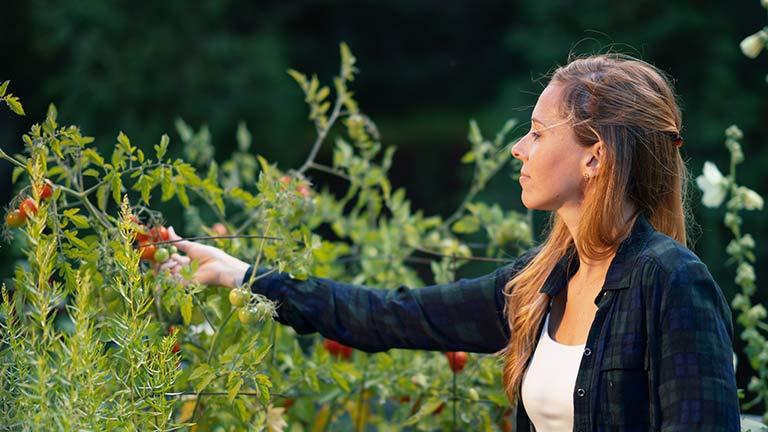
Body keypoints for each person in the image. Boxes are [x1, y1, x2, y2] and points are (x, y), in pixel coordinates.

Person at [160, 53, 740, 431]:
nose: (519, 148)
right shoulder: (541, 282)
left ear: (595, 156)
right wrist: (240, 275)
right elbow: (390, 317)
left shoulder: (672, 283)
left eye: (538, 134)